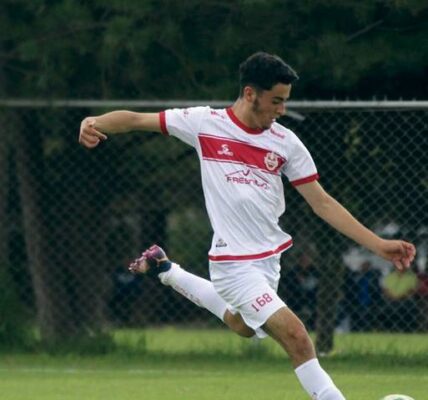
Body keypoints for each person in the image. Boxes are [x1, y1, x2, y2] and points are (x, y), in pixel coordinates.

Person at [79, 52, 416, 400]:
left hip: (268, 259)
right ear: (250, 93)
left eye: (285, 102)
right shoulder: (204, 123)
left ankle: (167, 269)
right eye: (276, 101)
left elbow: (323, 202)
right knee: (296, 336)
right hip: (232, 264)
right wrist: (94, 121)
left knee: (243, 327)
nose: (282, 110)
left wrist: (379, 244)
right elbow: (136, 119)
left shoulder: (285, 143)